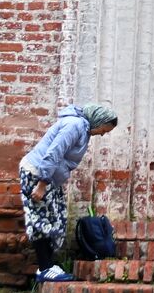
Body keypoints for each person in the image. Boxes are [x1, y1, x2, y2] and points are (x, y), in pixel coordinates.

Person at [19, 102, 118, 282]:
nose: (103, 133)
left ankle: (48, 265)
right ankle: (44, 268)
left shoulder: (83, 129)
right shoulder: (74, 125)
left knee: (56, 218)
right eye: (104, 130)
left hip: (47, 177)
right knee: (40, 220)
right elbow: (54, 152)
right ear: (98, 121)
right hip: (37, 173)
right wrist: (42, 184)